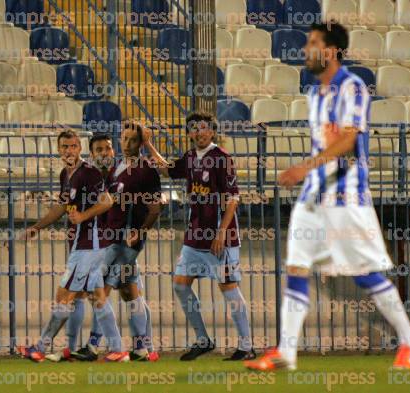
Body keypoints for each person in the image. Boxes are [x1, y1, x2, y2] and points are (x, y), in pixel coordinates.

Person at [244, 21, 410, 372]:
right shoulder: (315, 92)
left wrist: (305, 166)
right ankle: (287, 351)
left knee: (365, 274)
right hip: (313, 198)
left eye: (312, 43)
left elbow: (347, 140)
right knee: (296, 266)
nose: (305, 49)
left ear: (329, 51)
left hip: (346, 197)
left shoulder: (352, 87)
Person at [143, 112, 255, 361]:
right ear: (190, 133)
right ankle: (203, 340)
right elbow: (168, 171)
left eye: (204, 128)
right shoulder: (191, 157)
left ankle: (247, 346)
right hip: (195, 235)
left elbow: (233, 198)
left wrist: (221, 232)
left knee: (228, 287)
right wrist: (148, 144)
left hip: (219, 234)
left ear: (212, 132)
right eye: (194, 129)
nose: (199, 132)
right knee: (180, 285)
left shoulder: (222, 158)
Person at [17, 130, 128, 363]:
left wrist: (84, 215)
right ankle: (119, 350)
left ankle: (40, 347)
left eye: (73, 146)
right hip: (83, 243)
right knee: (97, 297)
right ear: (59, 150)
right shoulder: (65, 175)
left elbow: (107, 201)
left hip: (90, 244)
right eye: (64, 147)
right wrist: (36, 228)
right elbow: (61, 208)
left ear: (80, 149)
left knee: (65, 295)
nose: (69, 151)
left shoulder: (89, 173)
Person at [71, 125, 162, 362]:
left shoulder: (146, 169)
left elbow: (156, 206)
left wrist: (139, 232)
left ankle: (94, 346)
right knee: (130, 291)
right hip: (112, 239)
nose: (127, 143)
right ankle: (143, 347)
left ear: (140, 143)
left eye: (133, 140)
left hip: (126, 242)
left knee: (100, 287)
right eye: (124, 138)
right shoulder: (115, 170)